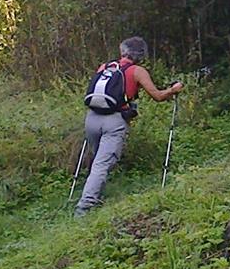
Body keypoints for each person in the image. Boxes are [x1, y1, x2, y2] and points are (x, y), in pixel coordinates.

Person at [74, 36, 183, 216]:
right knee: (102, 164)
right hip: (114, 122)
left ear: (122, 51)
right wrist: (173, 90)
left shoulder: (105, 67)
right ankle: (84, 208)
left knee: (98, 161)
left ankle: (93, 194)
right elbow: (157, 96)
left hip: (92, 118)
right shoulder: (137, 71)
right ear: (141, 55)